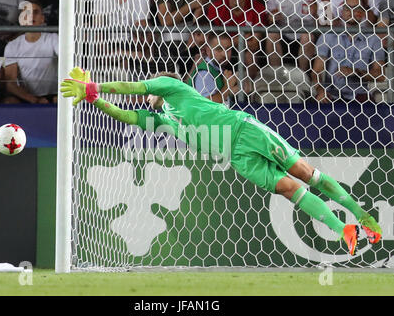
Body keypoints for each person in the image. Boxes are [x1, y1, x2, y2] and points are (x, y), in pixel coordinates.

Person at [60, 66, 383, 256]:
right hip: (236, 157)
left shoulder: (174, 87)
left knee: (305, 174)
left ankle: (363, 217)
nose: (147, 96)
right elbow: (127, 116)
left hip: (247, 131)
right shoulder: (166, 121)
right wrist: (94, 98)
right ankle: (344, 229)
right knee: (290, 190)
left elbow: (131, 87)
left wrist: (95, 84)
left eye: (150, 90)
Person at [312, 0, 385, 103]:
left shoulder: (373, 39)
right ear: (342, 12)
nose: (351, 12)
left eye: (356, 8)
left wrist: (356, 72)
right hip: (332, 95)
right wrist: (320, 90)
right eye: (347, 8)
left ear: (363, 13)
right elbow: (317, 71)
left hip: (361, 98)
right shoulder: (328, 36)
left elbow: (380, 75)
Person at [3, 0, 58, 104]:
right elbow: (10, 83)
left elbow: (67, 63)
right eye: (27, 13)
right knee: (9, 101)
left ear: (42, 18)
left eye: (35, 12)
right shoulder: (13, 45)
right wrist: (34, 100)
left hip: (53, 95)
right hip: (27, 96)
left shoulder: (53, 38)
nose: (31, 16)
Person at [206, 0, 268, 80]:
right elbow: (213, 40)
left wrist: (229, 41)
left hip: (246, 50)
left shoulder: (257, 8)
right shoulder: (216, 8)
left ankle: (249, 88)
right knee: (215, 52)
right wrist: (241, 38)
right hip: (224, 49)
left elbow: (254, 44)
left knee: (250, 56)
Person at [265, 0, 318, 73]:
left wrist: (316, 13)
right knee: (272, 35)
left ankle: (303, 76)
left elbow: (326, 21)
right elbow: (268, 19)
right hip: (284, 33)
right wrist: (272, 17)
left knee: (307, 37)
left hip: (306, 32)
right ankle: (276, 75)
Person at [185, 32, 239, 103]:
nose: (224, 54)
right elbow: (207, 103)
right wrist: (227, 87)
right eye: (219, 49)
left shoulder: (217, 68)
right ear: (208, 50)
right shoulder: (204, 73)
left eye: (228, 49)